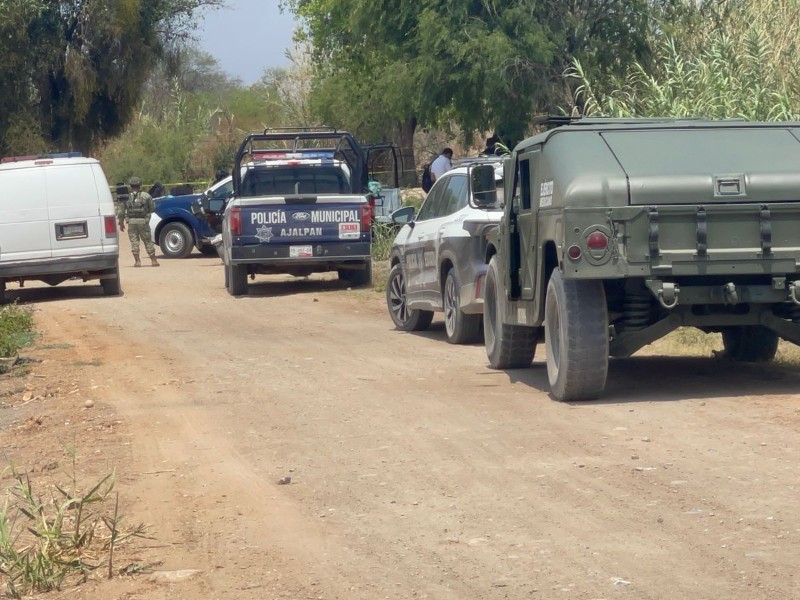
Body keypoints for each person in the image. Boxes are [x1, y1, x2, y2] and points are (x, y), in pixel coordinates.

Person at [117, 176, 159, 267]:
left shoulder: (126, 197)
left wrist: (121, 223)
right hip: (143, 222)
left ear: (130, 186)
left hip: (131, 223)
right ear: (140, 185)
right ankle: (153, 260)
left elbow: (121, 212)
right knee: (147, 241)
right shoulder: (146, 196)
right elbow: (152, 208)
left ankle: (137, 261)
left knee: (134, 242)